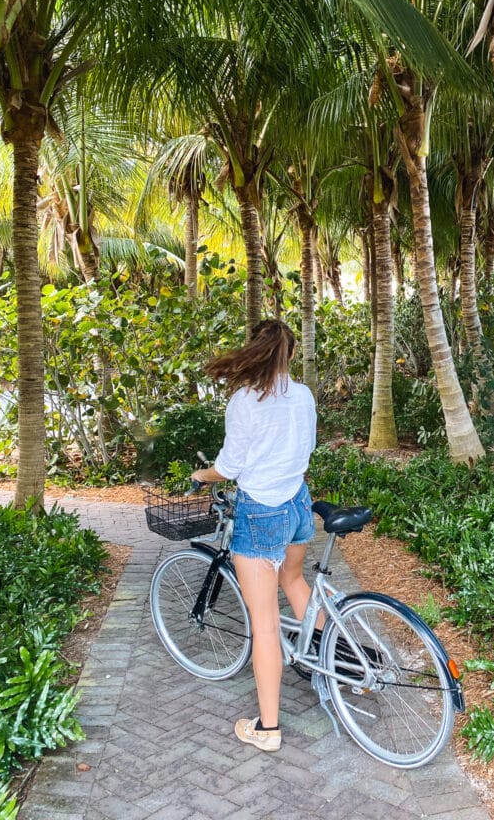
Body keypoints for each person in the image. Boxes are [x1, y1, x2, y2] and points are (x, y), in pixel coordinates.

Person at [190, 319, 316, 752]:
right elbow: (308, 446)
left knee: (263, 627)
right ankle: (340, 661)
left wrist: (202, 475)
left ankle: (267, 729)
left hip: (262, 512)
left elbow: (230, 468)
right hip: (299, 503)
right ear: (290, 355)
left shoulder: (245, 402)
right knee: (296, 582)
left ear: (256, 352)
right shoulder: (302, 396)